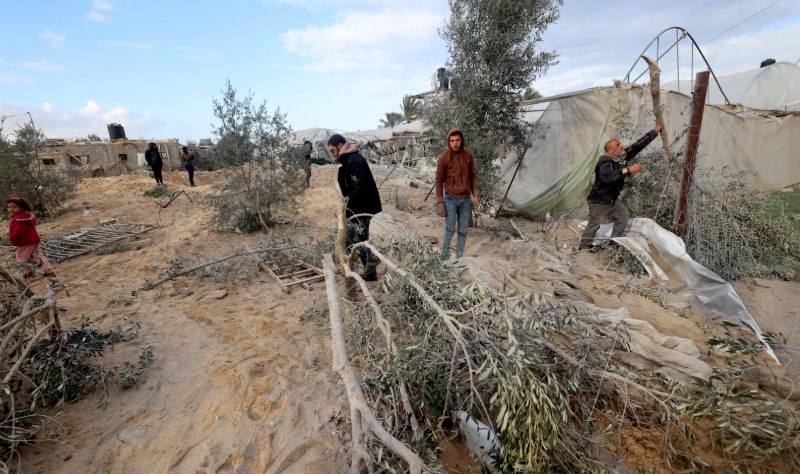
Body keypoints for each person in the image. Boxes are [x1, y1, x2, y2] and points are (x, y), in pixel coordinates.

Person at [579, 123, 663, 250]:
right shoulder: (605, 161)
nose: (622, 146)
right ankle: (584, 247)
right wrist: (628, 170)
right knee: (594, 224)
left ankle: (613, 242)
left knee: (623, 217)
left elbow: (637, 146)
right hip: (600, 201)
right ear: (611, 150)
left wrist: (655, 132)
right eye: (618, 145)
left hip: (612, 199)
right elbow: (607, 177)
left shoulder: (621, 157)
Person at [327, 134, 382, 281]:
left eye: (332, 150)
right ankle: (367, 266)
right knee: (356, 239)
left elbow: (361, 184)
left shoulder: (354, 160)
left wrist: (347, 199)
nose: (332, 154)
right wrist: (342, 207)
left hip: (363, 207)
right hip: (356, 207)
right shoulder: (346, 160)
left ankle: (370, 267)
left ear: (339, 146)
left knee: (359, 239)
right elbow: (347, 186)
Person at [435, 128, 479, 261]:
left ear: (462, 141)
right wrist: (439, 202)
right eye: (452, 141)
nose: (455, 143)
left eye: (457, 140)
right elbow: (439, 180)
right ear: (449, 141)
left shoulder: (468, 156)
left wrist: (475, 195)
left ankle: (459, 258)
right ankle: (445, 258)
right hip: (450, 199)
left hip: (465, 200)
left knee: (463, 231)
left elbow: (472, 176)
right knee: (449, 230)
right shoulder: (444, 158)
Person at [6, 197, 54, 279]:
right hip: (34, 240)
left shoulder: (18, 218)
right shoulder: (26, 215)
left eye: (14, 207)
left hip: (24, 243)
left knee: (21, 258)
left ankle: (28, 272)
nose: (11, 209)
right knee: (38, 256)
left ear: (21, 208)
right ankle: (49, 271)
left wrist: (12, 237)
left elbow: (19, 231)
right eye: (9, 207)